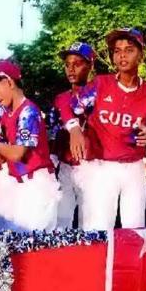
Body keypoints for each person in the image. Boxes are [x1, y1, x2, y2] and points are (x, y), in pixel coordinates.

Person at [66, 28, 146, 230]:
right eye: (117, 51)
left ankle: (128, 263)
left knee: (134, 231)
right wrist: (74, 129)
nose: (122, 55)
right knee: (98, 228)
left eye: (129, 49)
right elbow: (69, 105)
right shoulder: (101, 84)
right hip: (102, 167)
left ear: (141, 54)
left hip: (134, 167)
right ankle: (96, 263)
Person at [0, 60, 60, 232]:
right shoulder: (7, 114)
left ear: (9, 82)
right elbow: (1, 158)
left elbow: (17, 154)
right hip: (16, 184)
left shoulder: (28, 111)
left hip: (36, 186)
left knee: (28, 245)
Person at [52, 42, 95, 229]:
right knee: (62, 218)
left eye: (77, 63)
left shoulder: (100, 93)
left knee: (90, 220)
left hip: (91, 166)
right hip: (66, 166)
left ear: (90, 65)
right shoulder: (61, 98)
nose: (71, 68)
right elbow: (55, 133)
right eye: (67, 64)